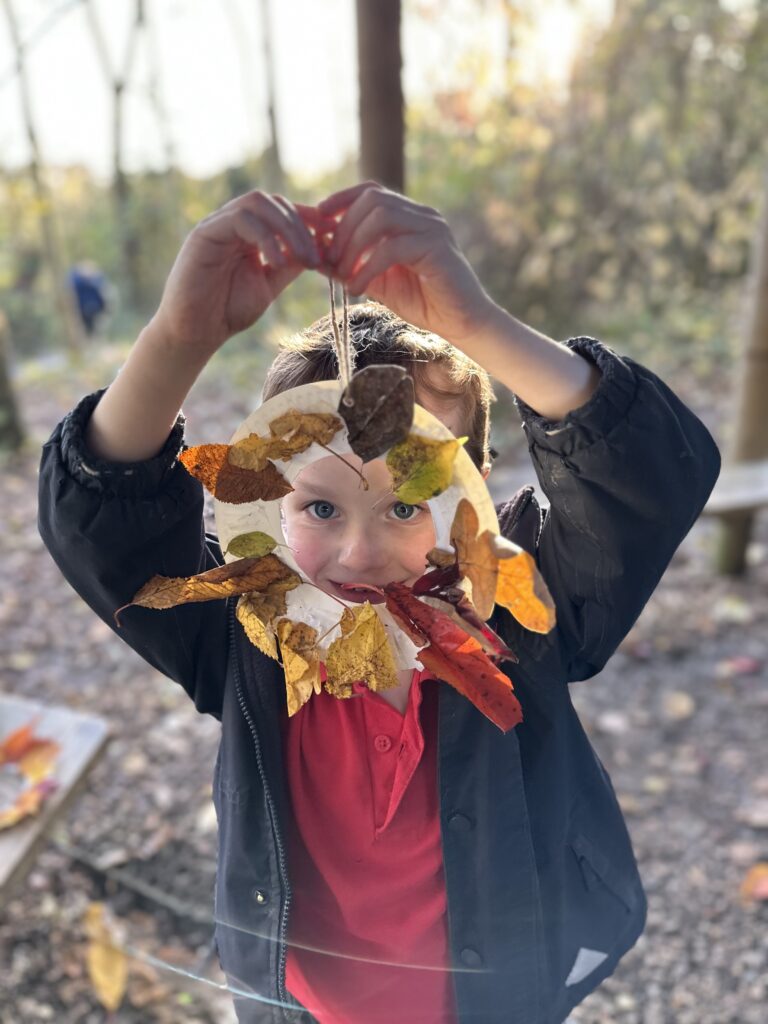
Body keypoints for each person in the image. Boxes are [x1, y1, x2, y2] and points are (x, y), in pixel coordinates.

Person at [38, 183, 721, 1024]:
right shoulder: (244, 628)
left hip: (502, 998)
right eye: (320, 508)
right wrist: (179, 340)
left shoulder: (516, 598)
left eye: (408, 506)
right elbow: (103, 526)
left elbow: (648, 476)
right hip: (305, 1004)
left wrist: (478, 327)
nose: (360, 555)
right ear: (267, 497)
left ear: (470, 489)